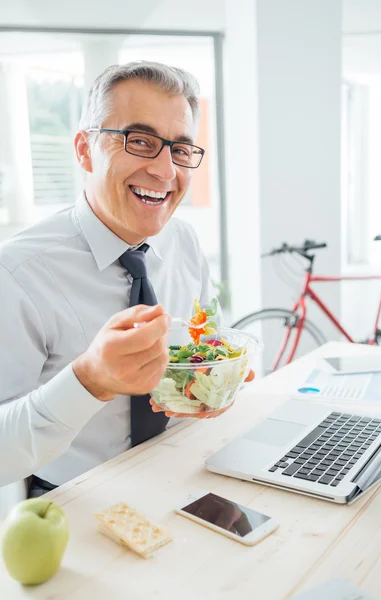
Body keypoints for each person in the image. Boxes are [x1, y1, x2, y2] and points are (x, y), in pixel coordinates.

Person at [0, 61, 227, 496]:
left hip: (185, 476)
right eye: (140, 141)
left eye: (180, 150)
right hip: (76, 499)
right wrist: (89, 381)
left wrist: (213, 378)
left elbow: (207, 345)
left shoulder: (185, 242)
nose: (165, 172)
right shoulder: (16, 274)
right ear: (85, 149)